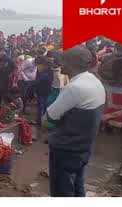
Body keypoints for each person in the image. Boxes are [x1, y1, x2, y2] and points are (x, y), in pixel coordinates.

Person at [45, 46, 105, 197]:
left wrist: (47, 123)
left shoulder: (74, 88)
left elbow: (50, 117)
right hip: (84, 146)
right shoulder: (94, 81)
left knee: (62, 190)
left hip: (67, 148)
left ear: (72, 64)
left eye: (63, 61)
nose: (60, 64)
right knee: (77, 185)